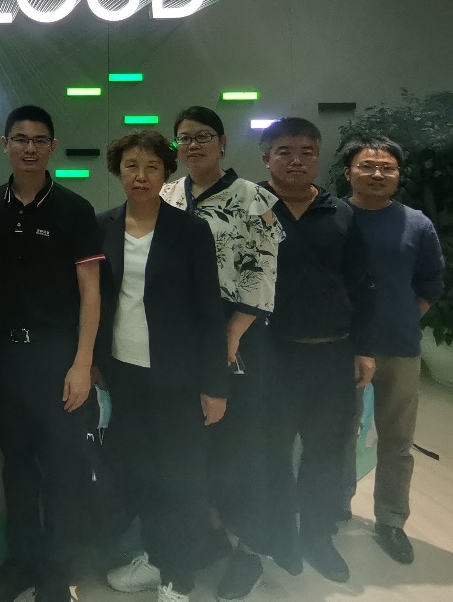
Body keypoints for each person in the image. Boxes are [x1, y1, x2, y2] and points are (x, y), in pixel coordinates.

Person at [0, 105, 104, 602]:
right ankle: (21, 563)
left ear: (52, 147)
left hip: (58, 359)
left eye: (38, 140)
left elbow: (90, 293)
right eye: (20, 139)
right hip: (6, 362)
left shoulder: (74, 209)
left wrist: (82, 364)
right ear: (4, 145)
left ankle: (55, 573)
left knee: (63, 469)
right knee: (17, 467)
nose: (29, 148)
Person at [97, 130, 228, 602]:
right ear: (118, 172)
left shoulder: (190, 230)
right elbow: (95, 302)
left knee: (180, 477)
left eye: (152, 167)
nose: (141, 176)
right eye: (131, 166)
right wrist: (93, 364)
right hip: (124, 374)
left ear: (165, 174)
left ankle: (178, 577)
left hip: (177, 377)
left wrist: (215, 385)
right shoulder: (103, 226)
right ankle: (156, 558)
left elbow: (209, 311)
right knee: (141, 472)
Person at [159, 106, 283, 600]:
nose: (192, 145)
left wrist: (229, 338)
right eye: (184, 138)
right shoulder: (168, 193)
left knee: (239, 450)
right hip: (180, 335)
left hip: (238, 333)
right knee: (191, 451)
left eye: (203, 136)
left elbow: (264, 273)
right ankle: (202, 542)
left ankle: (248, 553)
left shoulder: (255, 198)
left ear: (223, 142)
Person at [259, 117, 375, 584]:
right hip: (271, 356)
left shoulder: (341, 213)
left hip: (331, 355)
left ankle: (316, 535)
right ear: (266, 157)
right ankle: (274, 534)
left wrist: (364, 349)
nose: (296, 160)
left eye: (307, 152)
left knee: (325, 452)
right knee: (269, 450)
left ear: (319, 158)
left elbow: (361, 285)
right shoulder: (250, 209)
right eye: (284, 151)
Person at [342, 137, 444, 565]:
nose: (378, 174)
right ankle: (333, 508)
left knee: (397, 440)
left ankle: (390, 520)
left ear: (398, 175)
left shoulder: (416, 224)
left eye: (387, 167)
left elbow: (430, 284)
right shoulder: (332, 217)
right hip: (342, 348)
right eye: (367, 166)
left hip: (399, 348)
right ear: (348, 172)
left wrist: (398, 318)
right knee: (337, 434)